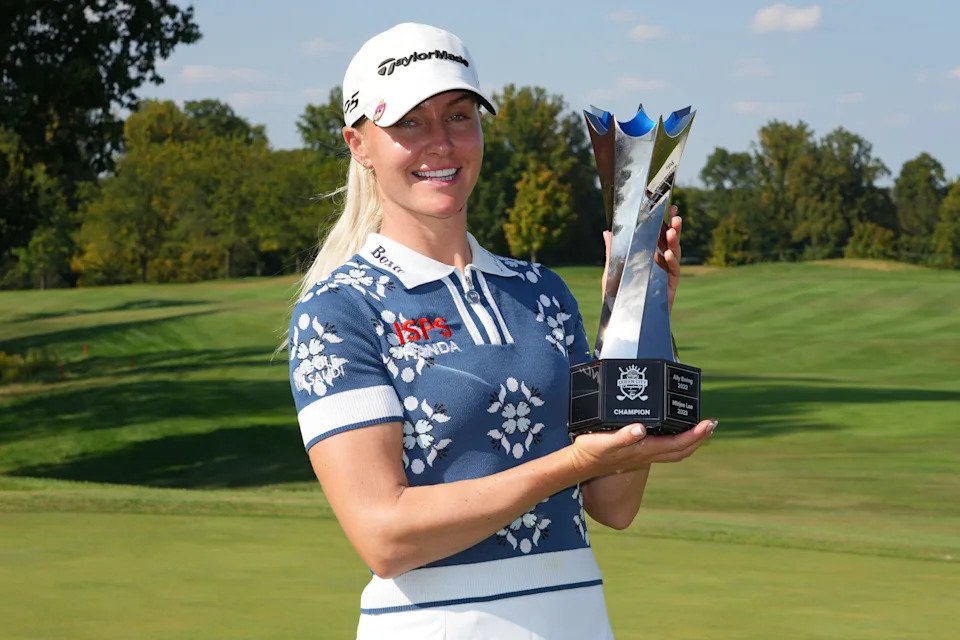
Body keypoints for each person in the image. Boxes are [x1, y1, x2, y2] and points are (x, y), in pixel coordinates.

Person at [287, 22, 717, 640]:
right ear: (360, 145)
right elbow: (384, 536)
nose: (441, 143)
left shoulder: (542, 292)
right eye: (410, 122)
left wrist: (639, 320)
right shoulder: (338, 310)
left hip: (576, 622)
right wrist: (569, 464)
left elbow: (613, 505)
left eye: (458, 116)